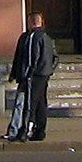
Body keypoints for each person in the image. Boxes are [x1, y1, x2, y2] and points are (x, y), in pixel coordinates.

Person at [6, 12, 57, 141]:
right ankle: (40, 132)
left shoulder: (32, 37)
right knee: (41, 103)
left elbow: (32, 57)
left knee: (30, 104)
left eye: (29, 22)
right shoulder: (47, 37)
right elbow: (55, 57)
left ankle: (23, 132)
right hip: (44, 75)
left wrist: (29, 73)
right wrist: (49, 70)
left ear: (33, 23)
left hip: (33, 76)